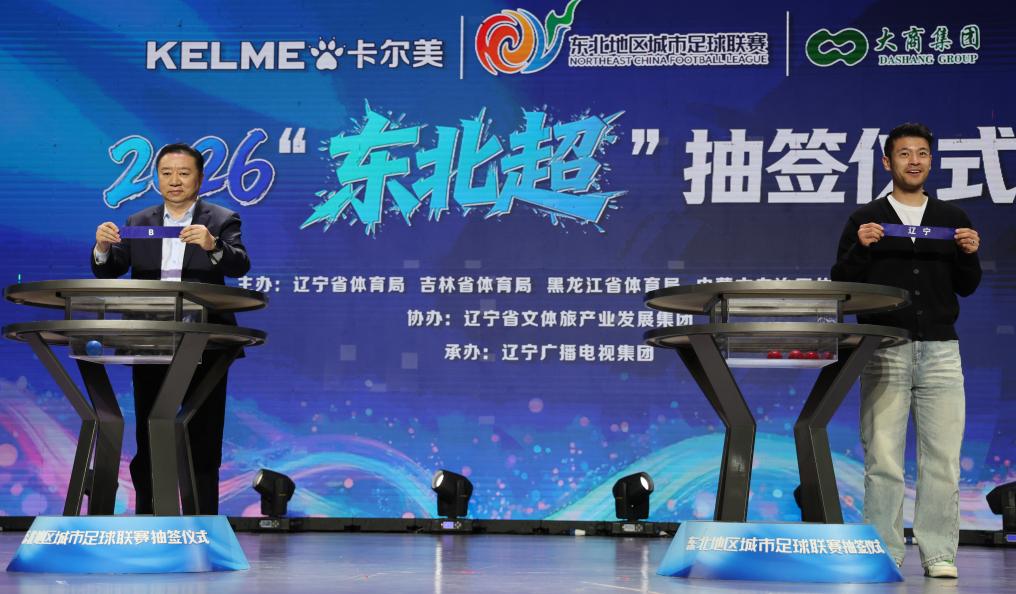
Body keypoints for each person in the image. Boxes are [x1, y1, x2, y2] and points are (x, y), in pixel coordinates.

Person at [831, 123, 981, 578]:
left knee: (943, 460)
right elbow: (842, 281)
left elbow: (967, 286)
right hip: (884, 348)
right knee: (883, 458)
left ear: (931, 161)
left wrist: (969, 254)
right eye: (904, 154)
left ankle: (939, 554)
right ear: (887, 162)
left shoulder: (953, 217)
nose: (914, 161)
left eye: (922, 154)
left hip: (941, 352)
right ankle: (884, 552)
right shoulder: (866, 218)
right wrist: (861, 249)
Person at [92, 143, 250, 514]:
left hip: (204, 343)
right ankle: (148, 516)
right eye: (166, 173)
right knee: (150, 432)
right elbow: (111, 268)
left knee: (203, 433)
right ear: (157, 178)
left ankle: (204, 520)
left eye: (183, 173)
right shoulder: (138, 221)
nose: (174, 181)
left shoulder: (221, 219)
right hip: (150, 342)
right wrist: (102, 248)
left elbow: (240, 264)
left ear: (200, 178)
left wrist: (213, 246)